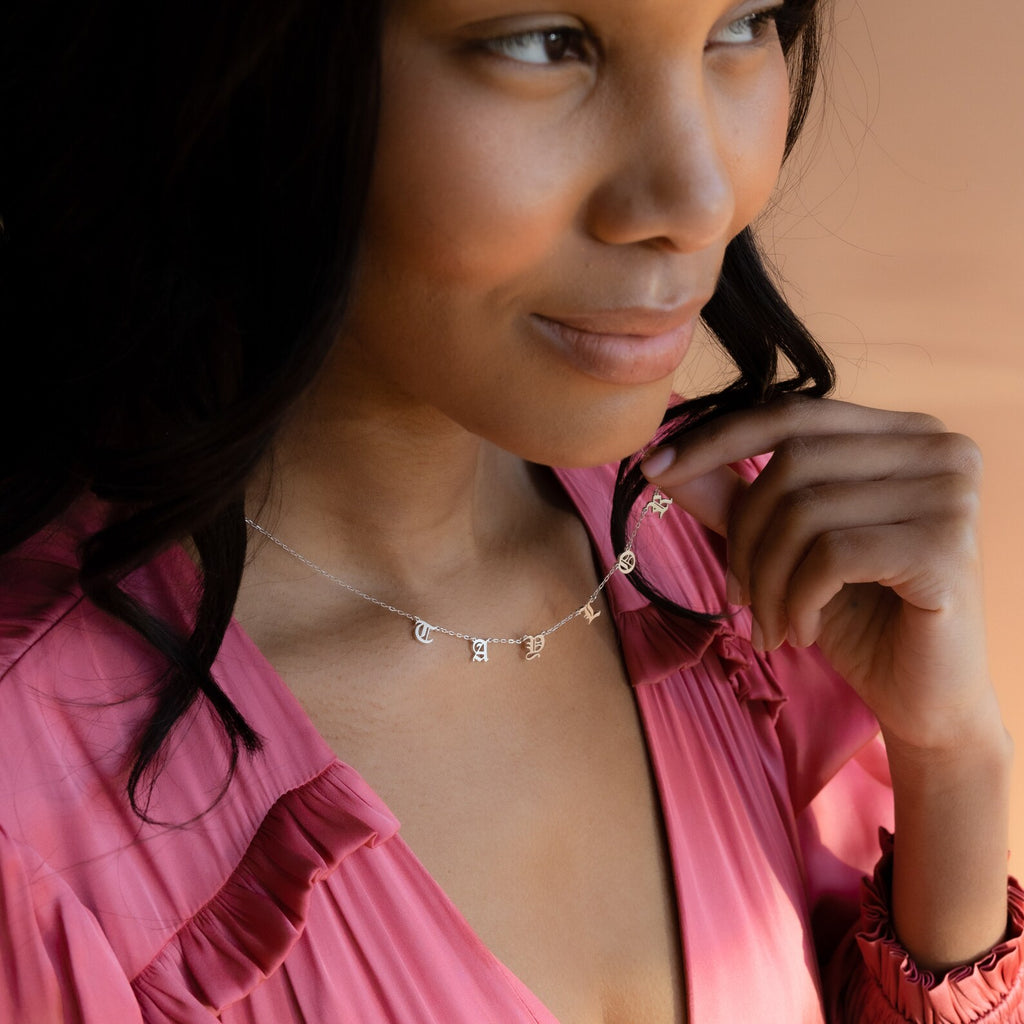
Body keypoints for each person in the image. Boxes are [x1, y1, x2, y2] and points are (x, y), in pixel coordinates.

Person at [0, 0, 1020, 1021]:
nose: (700, 194)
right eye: (544, 42)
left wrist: (950, 770)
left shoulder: (733, 554)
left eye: (744, 23)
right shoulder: (29, 808)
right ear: (245, 66)